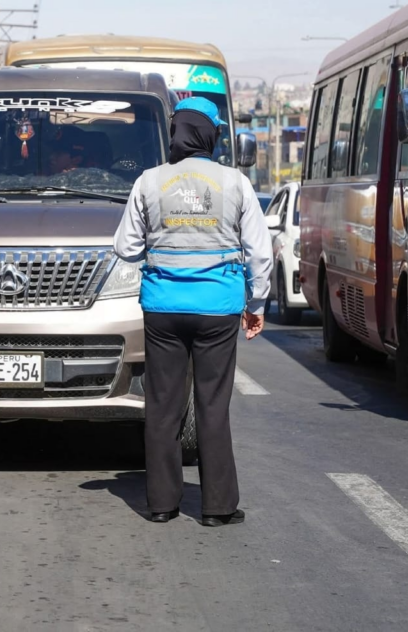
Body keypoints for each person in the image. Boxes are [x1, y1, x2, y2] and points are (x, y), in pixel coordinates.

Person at [113, 97, 272, 527]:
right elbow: (260, 253)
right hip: (218, 310)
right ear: (210, 134)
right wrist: (256, 303)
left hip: (162, 309)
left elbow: (125, 247)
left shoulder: (149, 181)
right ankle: (218, 508)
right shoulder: (235, 183)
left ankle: (161, 504)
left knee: (162, 405)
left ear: (176, 132)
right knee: (212, 406)